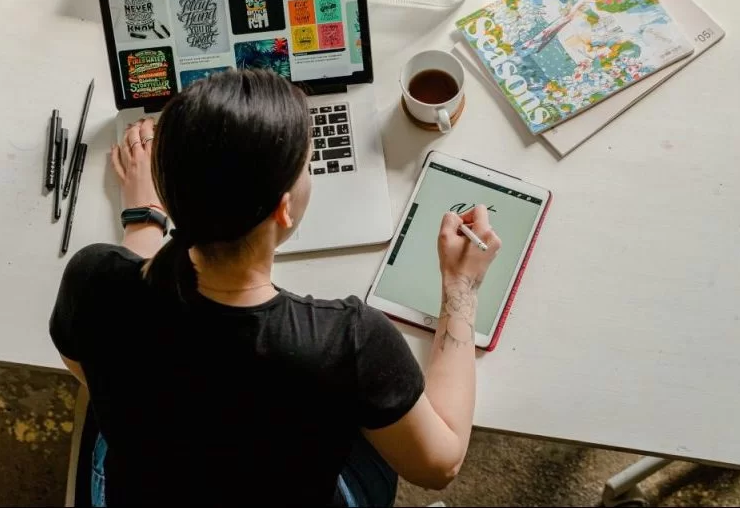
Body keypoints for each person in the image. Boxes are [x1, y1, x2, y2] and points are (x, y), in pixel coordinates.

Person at [49, 69, 501, 506]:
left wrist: (143, 215)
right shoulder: (347, 341)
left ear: (170, 194)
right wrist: (461, 288)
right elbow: (438, 466)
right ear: (283, 210)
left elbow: (85, 365)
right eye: (308, 165)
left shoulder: (92, 280)